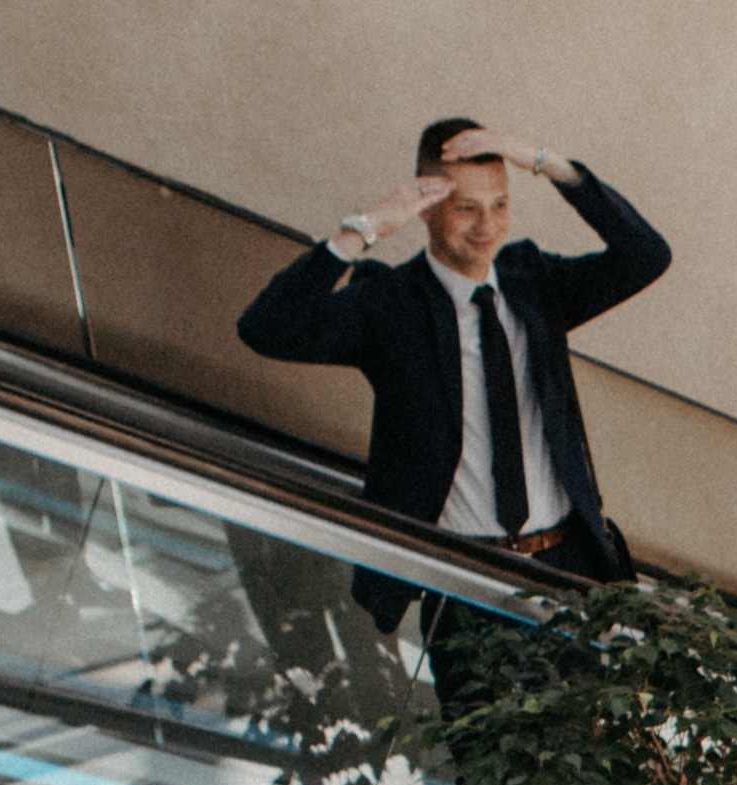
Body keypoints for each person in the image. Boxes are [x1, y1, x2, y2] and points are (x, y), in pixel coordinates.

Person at [236, 117, 670, 666]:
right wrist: (366, 228)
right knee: (476, 745)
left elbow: (646, 255)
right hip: (463, 582)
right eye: (467, 207)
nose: (487, 225)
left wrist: (541, 160)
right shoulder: (393, 306)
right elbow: (266, 328)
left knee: (586, 742)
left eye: (500, 205)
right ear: (428, 208)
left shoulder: (535, 286)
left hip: (566, 572)